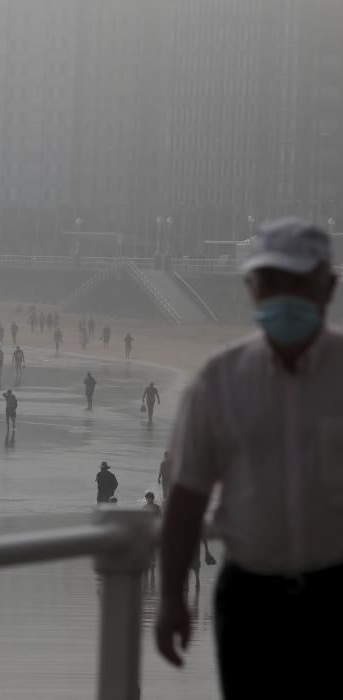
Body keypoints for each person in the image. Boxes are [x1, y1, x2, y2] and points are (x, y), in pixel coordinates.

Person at [156, 218, 343, 699]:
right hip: (249, 599)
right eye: (269, 283)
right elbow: (187, 495)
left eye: (297, 283)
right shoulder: (218, 381)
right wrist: (172, 596)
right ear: (250, 289)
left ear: (329, 287)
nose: (283, 296)